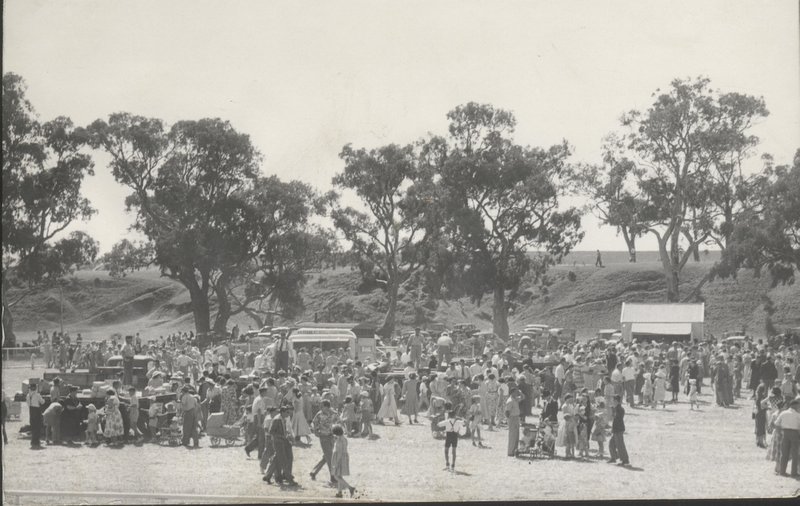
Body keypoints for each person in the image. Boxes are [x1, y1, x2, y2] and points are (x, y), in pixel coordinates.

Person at [310, 399, 339, 485]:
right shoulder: (319, 414)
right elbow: (314, 422)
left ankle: (314, 472)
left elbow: (339, 422)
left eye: (322, 406)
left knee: (327, 456)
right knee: (330, 457)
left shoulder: (334, 413)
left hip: (332, 437)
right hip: (323, 437)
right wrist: (316, 431)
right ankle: (333, 477)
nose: (320, 407)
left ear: (326, 407)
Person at [264, 406, 296, 485]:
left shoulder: (282, 418)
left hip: (281, 441)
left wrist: (286, 435)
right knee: (283, 460)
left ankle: (267, 476)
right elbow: (271, 431)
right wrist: (282, 436)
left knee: (276, 459)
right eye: (287, 412)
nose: (288, 414)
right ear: (282, 412)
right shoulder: (277, 419)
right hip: (278, 442)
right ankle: (289, 479)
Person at [774, 397, 800, 477]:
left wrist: (779, 432)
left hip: (785, 433)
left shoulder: (783, 413)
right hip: (795, 433)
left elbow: (776, 423)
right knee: (795, 454)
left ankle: (782, 471)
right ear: (795, 405)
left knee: (784, 453)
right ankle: (793, 473)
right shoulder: (798, 415)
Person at [331, 424, 356, 498]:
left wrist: (336, 463)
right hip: (344, 458)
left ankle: (350, 488)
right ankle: (339, 492)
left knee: (336, 476)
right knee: (340, 476)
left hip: (340, 458)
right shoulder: (344, 439)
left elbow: (339, 452)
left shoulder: (339, 441)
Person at [607, 395, 629, 466]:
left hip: (618, 429)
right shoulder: (616, 408)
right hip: (616, 429)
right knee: (611, 444)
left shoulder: (620, 409)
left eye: (613, 400)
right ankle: (614, 457)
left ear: (616, 401)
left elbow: (617, 418)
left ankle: (625, 460)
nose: (612, 402)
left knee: (620, 445)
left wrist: (613, 411)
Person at [505, 388, 523, 457]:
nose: (516, 393)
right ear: (512, 393)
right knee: (512, 435)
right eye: (515, 392)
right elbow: (507, 412)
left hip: (516, 417)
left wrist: (520, 392)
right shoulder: (510, 401)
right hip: (512, 418)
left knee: (516, 435)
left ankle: (515, 450)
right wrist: (510, 419)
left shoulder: (515, 399)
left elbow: (523, 397)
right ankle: (510, 451)